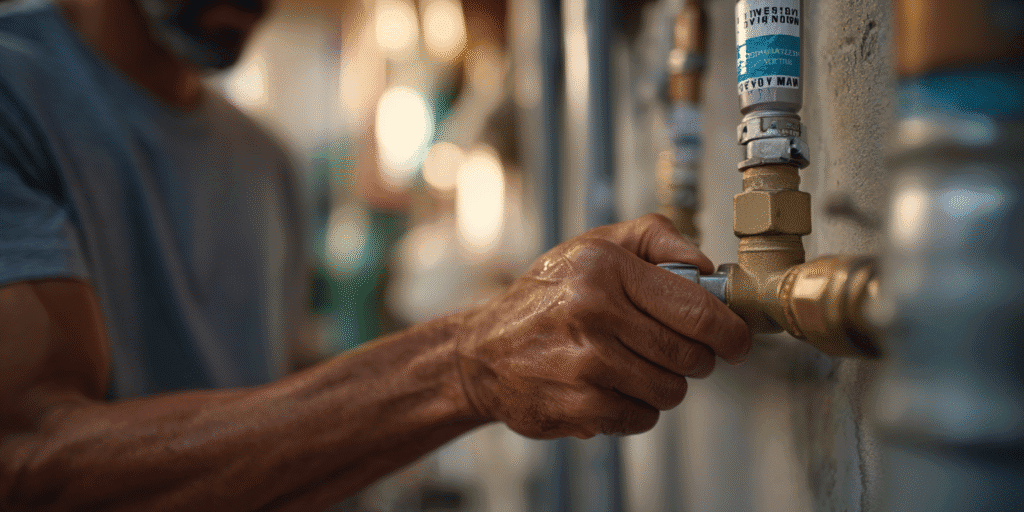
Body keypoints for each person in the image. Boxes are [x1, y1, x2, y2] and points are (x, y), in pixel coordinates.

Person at [0, 0, 751, 509]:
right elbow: (29, 458)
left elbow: (277, 412)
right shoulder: (15, 95)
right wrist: (462, 363)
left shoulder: (261, 162)